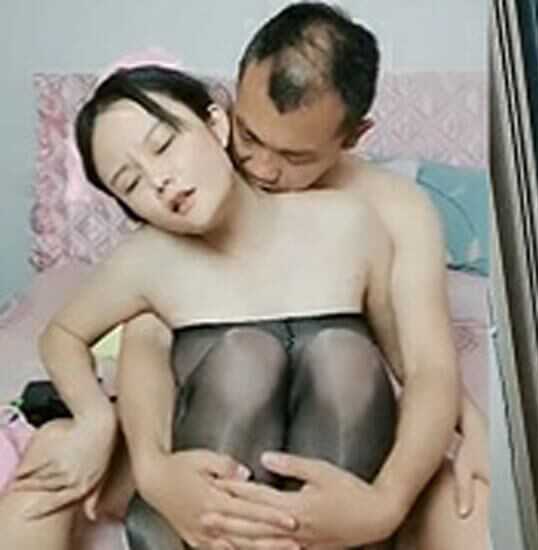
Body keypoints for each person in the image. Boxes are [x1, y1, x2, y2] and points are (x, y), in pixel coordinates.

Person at [115, 3, 488, 549]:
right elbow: (146, 338)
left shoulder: (395, 210)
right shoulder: (201, 180)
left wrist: (386, 504)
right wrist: (152, 471)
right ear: (232, 95)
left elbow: (427, 366)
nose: (261, 168)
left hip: (337, 438)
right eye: (248, 135)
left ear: (354, 136)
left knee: (347, 360)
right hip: (219, 432)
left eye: (295, 156)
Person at [0, 64, 407, 550]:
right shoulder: (148, 263)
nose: (159, 180)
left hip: (327, 495)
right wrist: (95, 420)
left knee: (344, 356)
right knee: (246, 358)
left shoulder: (346, 221)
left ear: (217, 124)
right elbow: (64, 335)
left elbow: (413, 360)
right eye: (130, 184)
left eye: (163, 145)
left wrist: (462, 423)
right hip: (204, 493)